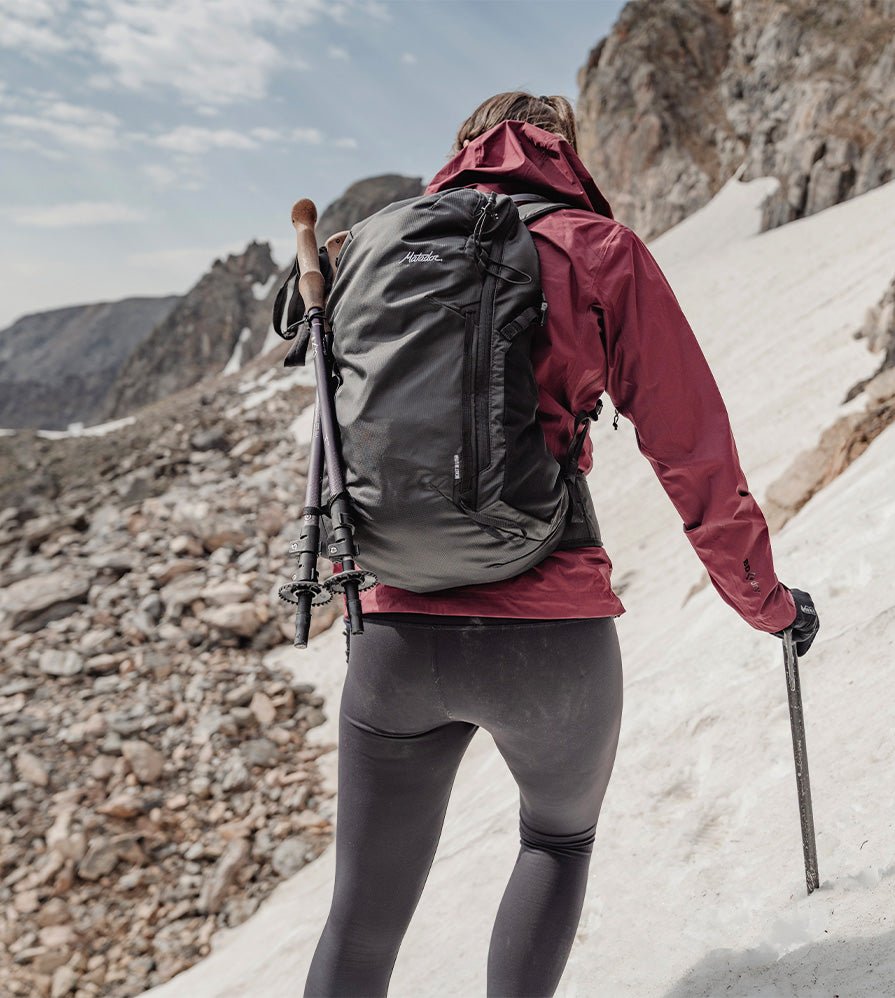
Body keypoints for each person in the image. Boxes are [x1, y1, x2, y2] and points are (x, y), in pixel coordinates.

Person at [303, 91, 819, 997]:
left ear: (465, 147)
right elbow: (693, 453)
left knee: (360, 920)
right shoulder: (599, 250)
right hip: (551, 631)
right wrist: (768, 604)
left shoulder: (374, 248)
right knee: (555, 840)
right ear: (566, 151)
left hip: (393, 634)